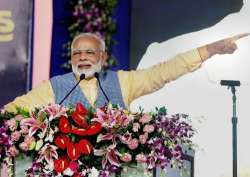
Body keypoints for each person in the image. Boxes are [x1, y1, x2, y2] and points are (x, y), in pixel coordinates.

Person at [4, 32, 249, 112]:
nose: (83, 58)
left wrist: (211, 49)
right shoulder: (56, 86)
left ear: (101, 57)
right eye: (77, 54)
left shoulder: (122, 81)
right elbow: (15, 110)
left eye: (90, 53)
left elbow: (163, 72)